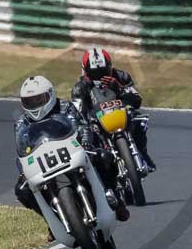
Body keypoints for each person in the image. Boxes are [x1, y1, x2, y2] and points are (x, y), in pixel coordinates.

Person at [14, 75, 130, 239]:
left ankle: (116, 199)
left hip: (73, 151)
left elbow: (82, 126)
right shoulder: (21, 123)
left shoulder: (65, 107)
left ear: (50, 95)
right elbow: (21, 148)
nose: (35, 105)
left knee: (105, 157)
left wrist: (86, 143)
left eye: (39, 99)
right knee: (21, 190)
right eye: (30, 102)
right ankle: (51, 220)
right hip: (44, 162)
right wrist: (23, 170)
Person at [71, 48, 156, 172]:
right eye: (95, 73)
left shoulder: (122, 76)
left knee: (140, 121)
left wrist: (119, 88)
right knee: (88, 140)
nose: (100, 76)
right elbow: (79, 114)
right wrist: (88, 125)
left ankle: (143, 154)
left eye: (103, 71)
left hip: (121, 113)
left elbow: (137, 100)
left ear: (110, 67)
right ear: (85, 71)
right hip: (97, 120)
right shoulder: (79, 88)